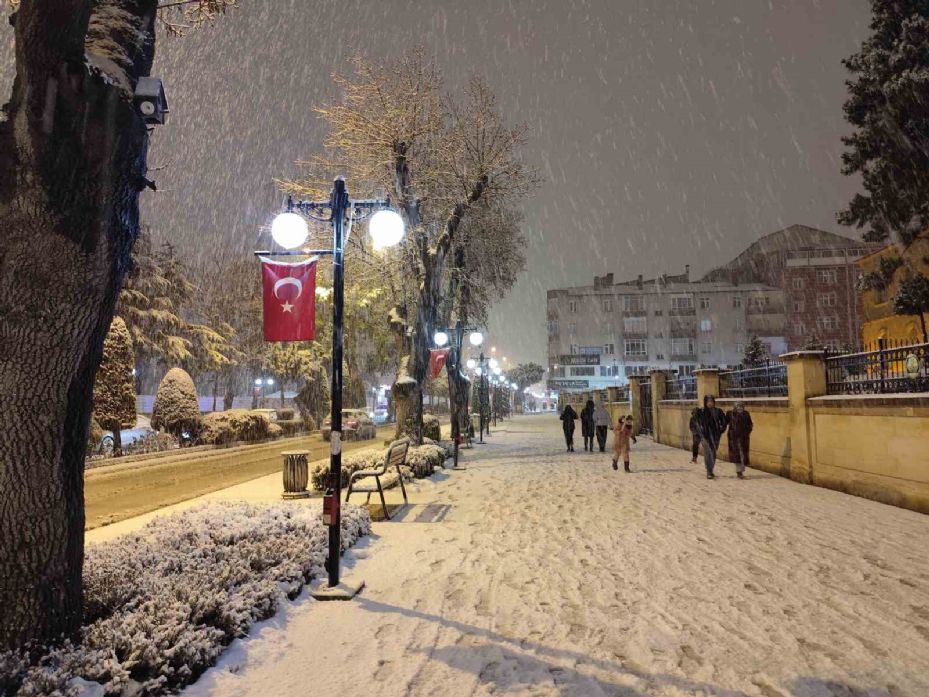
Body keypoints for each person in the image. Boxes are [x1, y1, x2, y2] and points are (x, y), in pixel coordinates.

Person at [694, 395, 728, 479]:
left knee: (713, 452)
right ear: (705, 402)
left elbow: (724, 422)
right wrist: (700, 432)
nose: (710, 403)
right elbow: (696, 422)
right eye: (708, 402)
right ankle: (709, 471)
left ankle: (711, 469)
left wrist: (721, 430)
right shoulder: (701, 411)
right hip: (705, 436)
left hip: (715, 435)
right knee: (708, 451)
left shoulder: (718, 411)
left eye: (711, 401)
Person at [726, 401, 753, 480]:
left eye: (741, 406)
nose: (740, 408)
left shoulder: (746, 414)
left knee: (742, 454)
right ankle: (739, 472)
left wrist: (747, 432)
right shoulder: (731, 414)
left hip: (743, 437)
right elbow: (725, 422)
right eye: (738, 406)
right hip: (734, 437)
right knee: (737, 454)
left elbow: (750, 424)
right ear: (735, 407)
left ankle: (741, 471)